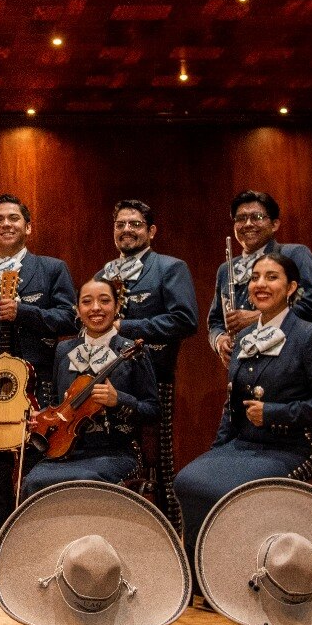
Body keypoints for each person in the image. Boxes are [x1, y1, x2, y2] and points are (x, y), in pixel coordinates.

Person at [174, 253, 312, 562]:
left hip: (294, 446)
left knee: (231, 489)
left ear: (292, 287)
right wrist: (217, 450)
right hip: (244, 445)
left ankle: (242, 567)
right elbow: (232, 406)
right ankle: (204, 573)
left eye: (272, 277)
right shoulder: (243, 339)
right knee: (187, 479)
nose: (260, 284)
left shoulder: (308, 335)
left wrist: (274, 413)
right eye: (255, 278)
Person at [0, 193, 78, 569]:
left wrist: (25, 312)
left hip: (35, 386)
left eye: (13, 218)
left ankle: (35, 553)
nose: (6, 224)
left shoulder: (51, 269)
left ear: (28, 226)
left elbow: (70, 321)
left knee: (35, 472)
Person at [93, 199, 197, 521]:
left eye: (135, 224)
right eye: (121, 224)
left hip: (154, 379)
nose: (127, 230)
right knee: (114, 457)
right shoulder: (103, 274)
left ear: (151, 231)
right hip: (108, 380)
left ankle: (171, 534)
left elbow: (185, 320)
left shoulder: (169, 267)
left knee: (160, 464)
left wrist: (127, 326)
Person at [22, 279, 159, 496]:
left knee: (86, 482)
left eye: (104, 301)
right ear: (77, 309)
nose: (95, 308)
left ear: (116, 307)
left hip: (115, 452)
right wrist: (41, 419)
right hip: (66, 453)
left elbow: (153, 410)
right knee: (33, 482)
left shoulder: (134, 350)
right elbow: (59, 404)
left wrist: (119, 400)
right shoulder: (63, 350)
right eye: (87, 302)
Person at [207, 190, 312, 364]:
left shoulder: (294, 254)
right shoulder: (226, 269)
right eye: (240, 218)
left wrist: (258, 317)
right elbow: (215, 320)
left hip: (289, 361)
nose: (248, 224)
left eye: (256, 217)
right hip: (244, 364)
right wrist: (219, 340)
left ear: (275, 224)